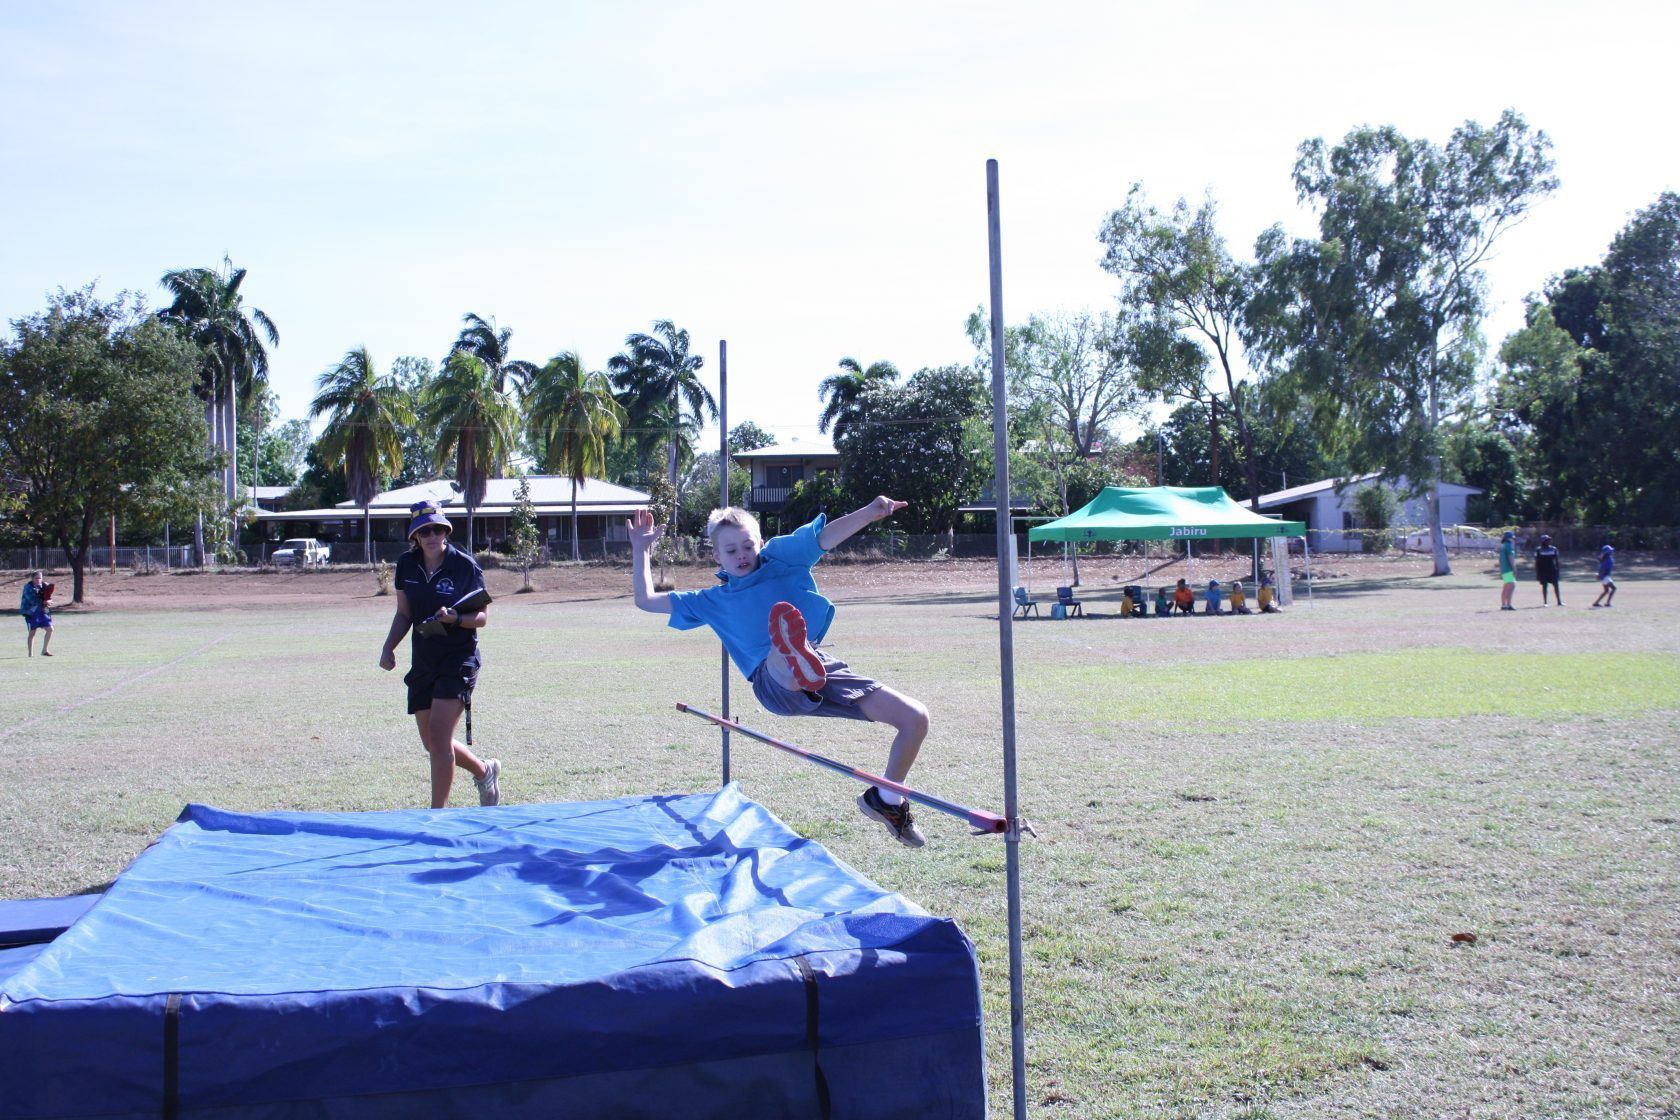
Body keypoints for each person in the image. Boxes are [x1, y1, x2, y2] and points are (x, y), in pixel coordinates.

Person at [628, 499, 930, 847]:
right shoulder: (710, 600)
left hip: (822, 667)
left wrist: (870, 512)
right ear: (717, 557)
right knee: (782, 657)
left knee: (915, 718)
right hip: (772, 684)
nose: (741, 555)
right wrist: (641, 550)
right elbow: (645, 600)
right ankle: (791, 655)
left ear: (759, 543)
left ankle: (887, 800)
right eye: (731, 550)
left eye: (747, 546)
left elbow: (824, 538)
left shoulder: (781, 557)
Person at [378, 501, 501, 809]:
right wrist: (388, 647)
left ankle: (437, 816)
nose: (432, 535)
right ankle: (485, 771)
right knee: (433, 743)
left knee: (438, 734)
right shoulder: (406, 565)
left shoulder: (464, 565)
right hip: (424, 660)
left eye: (437, 528)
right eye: (424, 531)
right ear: (415, 536)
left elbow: (482, 618)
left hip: (459, 658)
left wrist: (455, 619)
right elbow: (404, 613)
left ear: (446, 530)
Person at [20, 571, 53, 657]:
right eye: (36, 578)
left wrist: (49, 601)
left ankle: (44, 650)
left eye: (40, 578)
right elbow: (33, 600)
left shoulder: (45, 586)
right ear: (32, 579)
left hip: (43, 611)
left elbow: (48, 597)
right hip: (31, 613)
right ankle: (30, 654)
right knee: (32, 632)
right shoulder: (28, 588)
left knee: (50, 629)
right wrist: (46, 601)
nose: (38, 580)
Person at [1534, 534, 1562, 606]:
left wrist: (1558, 571)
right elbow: (1536, 562)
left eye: (1549, 540)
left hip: (1552, 570)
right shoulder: (1539, 550)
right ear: (1542, 541)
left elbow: (1557, 561)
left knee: (1556, 586)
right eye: (1546, 540)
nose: (1548, 541)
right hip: (1543, 571)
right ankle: (1545, 602)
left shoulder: (1554, 549)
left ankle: (1559, 601)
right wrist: (1537, 573)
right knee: (1545, 586)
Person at [1498, 530, 1517, 611]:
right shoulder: (1509, 546)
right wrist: (1514, 568)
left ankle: (1503, 605)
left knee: (1505, 587)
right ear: (1510, 538)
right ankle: (1508, 604)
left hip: (1504, 569)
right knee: (1511, 586)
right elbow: (1511, 557)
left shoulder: (1502, 546)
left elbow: (1500, 559)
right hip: (1508, 569)